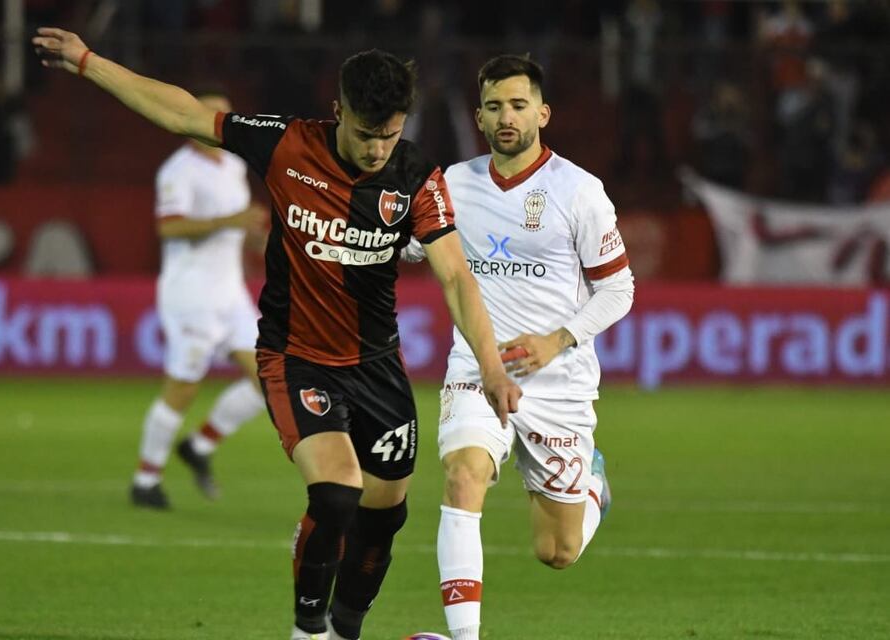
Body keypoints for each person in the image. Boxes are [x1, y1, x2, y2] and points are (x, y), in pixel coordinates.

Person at [31, 28, 521, 640]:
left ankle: (344, 629)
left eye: (390, 134)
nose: (377, 149)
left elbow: (455, 276)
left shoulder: (416, 176)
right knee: (336, 492)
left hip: (377, 365)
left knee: (384, 514)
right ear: (339, 111)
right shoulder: (288, 144)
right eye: (366, 134)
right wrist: (87, 61)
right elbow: (185, 114)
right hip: (296, 357)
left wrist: (492, 367)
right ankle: (307, 630)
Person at [409, 54, 635, 640]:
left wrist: (556, 341)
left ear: (542, 113)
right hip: (477, 366)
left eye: (517, 105)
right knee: (464, 476)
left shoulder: (579, 192)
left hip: (558, 380)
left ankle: (593, 487)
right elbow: (408, 245)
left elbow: (619, 289)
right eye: (493, 106)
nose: (505, 117)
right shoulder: (452, 185)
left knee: (556, 551)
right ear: (479, 118)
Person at [130, 87, 268, 510]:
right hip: (190, 294)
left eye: (226, 116)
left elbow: (235, 226)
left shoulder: (233, 164)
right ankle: (145, 479)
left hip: (230, 292)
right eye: (214, 116)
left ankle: (200, 445)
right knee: (184, 387)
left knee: (271, 378)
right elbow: (168, 227)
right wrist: (233, 219)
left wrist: (257, 237)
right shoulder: (178, 171)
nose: (222, 124)